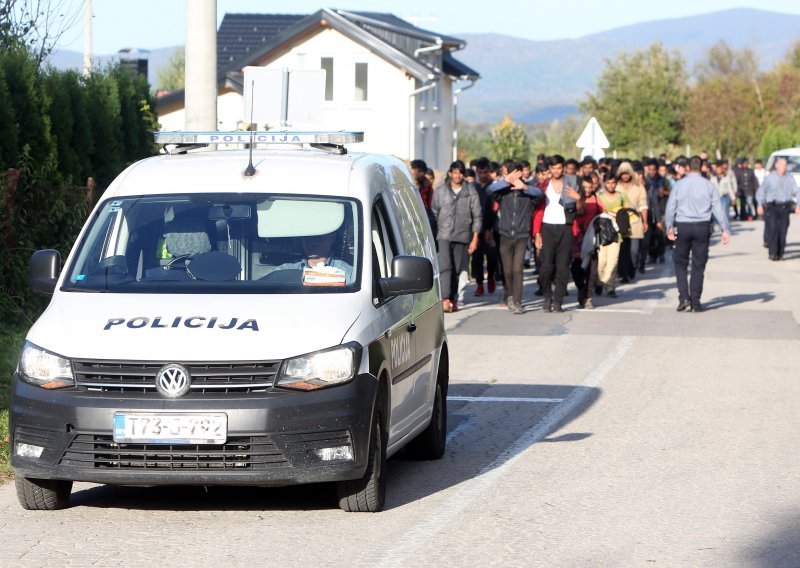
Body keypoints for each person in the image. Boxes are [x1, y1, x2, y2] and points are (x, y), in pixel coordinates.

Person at [664, 156, 730, 312]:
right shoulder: (709, 185)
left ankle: (683, 297)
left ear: (687, 167)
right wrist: (724, 228)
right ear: (701, 167)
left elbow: (670, 207)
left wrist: (669, 226)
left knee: (680, 263)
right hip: (702, 227)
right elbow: (718, 208)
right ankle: (696, 302)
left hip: (683, 226)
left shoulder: (679, 185)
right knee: (698, 265)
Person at [488, 160, 543, 314]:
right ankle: (510, 296)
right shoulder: (503, 191)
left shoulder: (529, 191)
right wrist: (506, 181)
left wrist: (524, 187)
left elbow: (540, 194)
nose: (514, 176)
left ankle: (517, 301)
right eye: (510, 173)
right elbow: (490, 190)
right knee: (507, 271)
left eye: (516, 173)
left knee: (518, 269)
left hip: (521, 235)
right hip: (505, 234)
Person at [533, 155, 584, 312]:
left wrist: (578, 198)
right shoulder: (542, 187)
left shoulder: (572, 185)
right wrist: (537, 234)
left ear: (564, 169)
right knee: (546, 267)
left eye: (559, 168)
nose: (556, 171)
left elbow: (581, 211)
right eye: (553, 168)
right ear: (549, 169)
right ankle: (547, 296)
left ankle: (558, 301)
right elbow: (536, 212)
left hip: (566, 228)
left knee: (563, 267)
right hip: (547, 228)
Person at [431, 161, 482, 312]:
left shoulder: (470, 191)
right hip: (444, 234)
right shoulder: (440, 191)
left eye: (460, 172)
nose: (457, 175)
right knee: (445, 266)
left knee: (458, 268)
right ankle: (445, 298)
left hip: (463, 234)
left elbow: (477, 215)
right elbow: (434, 211)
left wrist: (475, 237)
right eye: (455, 172)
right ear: (450, 173)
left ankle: (453, 298)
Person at [756, 157, 800, 261]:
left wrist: (798, 205)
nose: (783, 168)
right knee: (773, 229)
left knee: (783, 231)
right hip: (772, 207)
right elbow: (761, 190)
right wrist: (759, 204)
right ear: (776, 166)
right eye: (781, 165)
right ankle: (773, 252)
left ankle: (780, 253)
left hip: (785, 208)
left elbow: (797, 191)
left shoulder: (789, 178)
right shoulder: (771, 177)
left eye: (785, 165)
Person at [571, 176, 604, 309]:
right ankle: (581, 289)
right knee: (576, 269)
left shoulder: (596, 199)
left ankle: (588, 297)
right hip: (576, 238)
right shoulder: (574, 198)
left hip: (592, 238)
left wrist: (598, 224)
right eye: (585, 187)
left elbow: (604, 213)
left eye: (590, 187)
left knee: (591, 268)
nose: (588, 190)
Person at [596, 174, 630, 298]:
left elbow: (628, 212)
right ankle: (599, 282)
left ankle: (610, 287)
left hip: (616, 235)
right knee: (601, 261)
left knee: (613, 262)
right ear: (604, 183)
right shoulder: (598, 196)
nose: (611, 185)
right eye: (608, 182)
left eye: (613, 182)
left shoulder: (621, 196)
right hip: (602, 234)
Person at [275, 231, 354, 284]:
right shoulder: (283, 272)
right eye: (307, 236)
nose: (312, 241)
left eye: (318, 235)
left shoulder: (348, 274)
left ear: (332, 237)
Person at [470, 157, 499, 297]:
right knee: (477, 258)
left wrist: (489, 228)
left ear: (489, 172)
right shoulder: (472, 188)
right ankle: (480, 284)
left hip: (491, 228)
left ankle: (491, 276)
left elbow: (494, 209)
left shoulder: (494, 187)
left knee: (492, 255)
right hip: (475, 228)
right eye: (480, 172)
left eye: (485, 172)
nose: (483, 175)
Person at [615, 161, 648, 282]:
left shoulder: (638, 187)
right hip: (620, 222)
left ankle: (633, 267)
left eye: (627, 173)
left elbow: (643, 205)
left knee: (634, 251)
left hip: (635, 221)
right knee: (622, 250)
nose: (625, 176)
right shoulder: (616, 186)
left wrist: (645, 221)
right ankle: (624, 274)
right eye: (623, 174)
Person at [711, 160, 737, 229]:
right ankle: (717, 225)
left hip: (724, 197)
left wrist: (733, 198)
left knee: (725, 213)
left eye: (720, 168)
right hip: (716, 198)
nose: (718, 170)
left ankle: (725, 227)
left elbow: (730, 189)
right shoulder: (713, 178)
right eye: (717, 168)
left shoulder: (726, 177)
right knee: (716, 212)